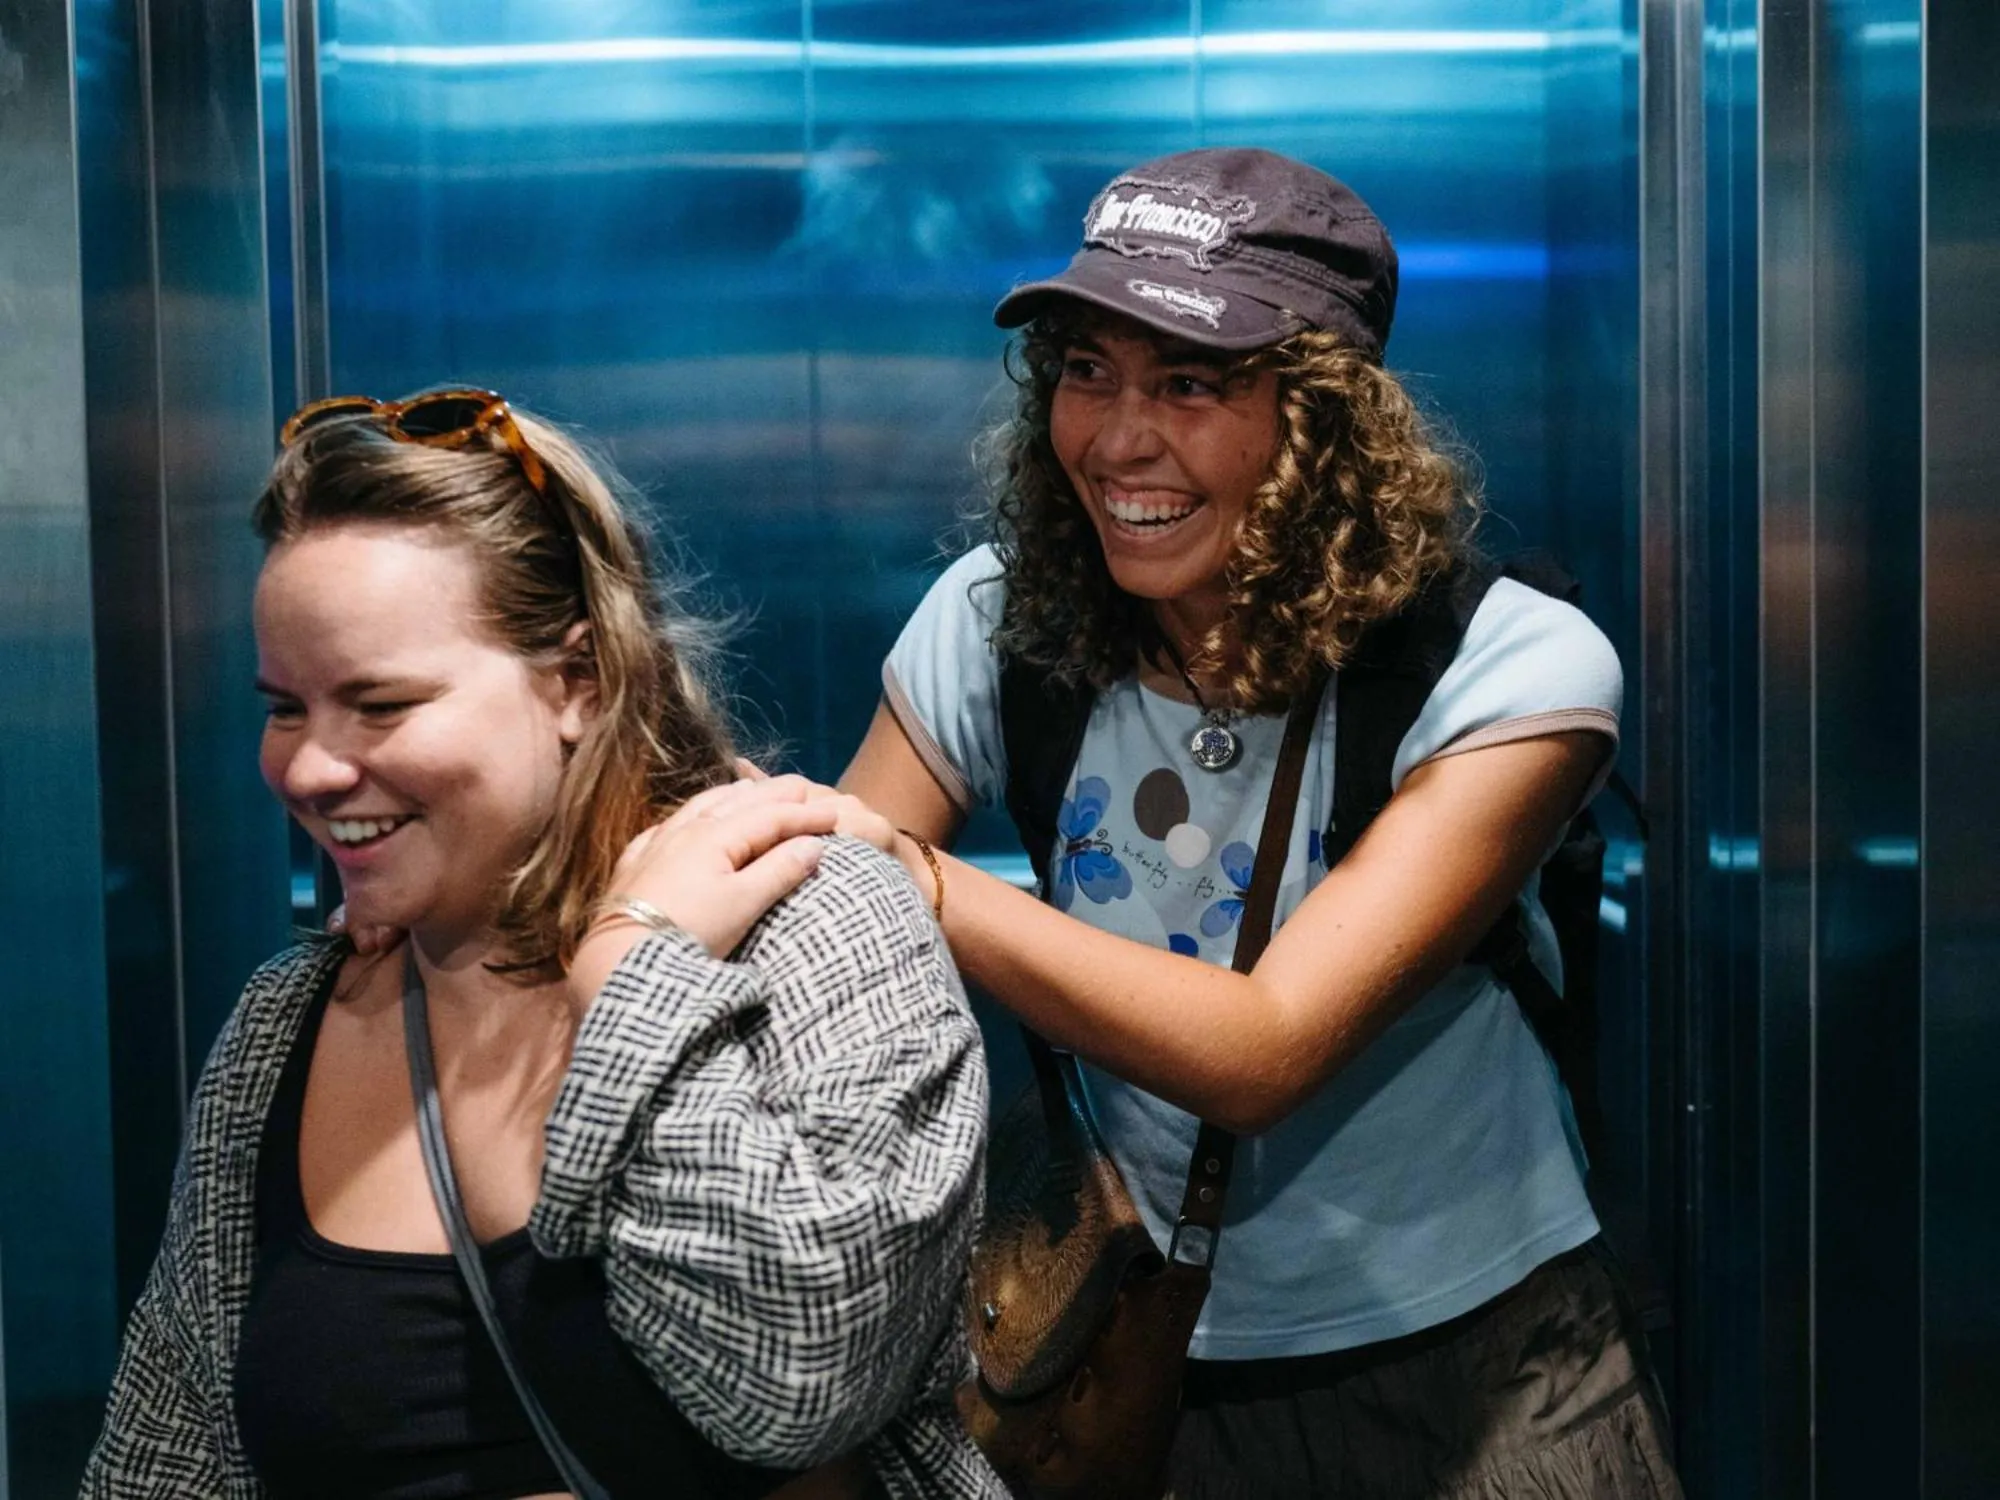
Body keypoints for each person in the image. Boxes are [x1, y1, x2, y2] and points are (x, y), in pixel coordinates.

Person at [821, 147, 1681, 1496]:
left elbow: (1265, 1051)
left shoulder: (1512, 668)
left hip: (1478, 1356)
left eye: (1191, 383)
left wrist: (911, 881)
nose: (1116, 439)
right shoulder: (999, 625)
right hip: (1118, 1346)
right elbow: (825, 949)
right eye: (1087, 371)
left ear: (1323, 425)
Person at [79, 390, 1002, 1499]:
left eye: (378, 705)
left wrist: (631, 974)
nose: (312, 769)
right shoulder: (288, 1022)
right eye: (286, 707)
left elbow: (799, 1386)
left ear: (579, 681)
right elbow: (167, 1458)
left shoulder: (812, 921)